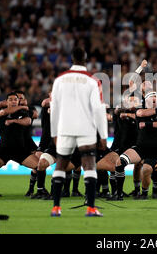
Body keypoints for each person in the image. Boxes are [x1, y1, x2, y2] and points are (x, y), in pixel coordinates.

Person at [50, 47, 108, 217]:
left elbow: (54, 108)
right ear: (86, 59)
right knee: (89, 165)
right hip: (86, 129)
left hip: (64, 128)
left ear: (71, 59)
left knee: (60, 164)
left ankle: (56, 207)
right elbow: (98, 109)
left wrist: (54, 133)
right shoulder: (92, 81)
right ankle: (90, 208)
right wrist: (103, 135)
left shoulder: (59, 80)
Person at [0, 92, 40, 193]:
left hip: (21, 149)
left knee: (39, 166)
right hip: (4, 150)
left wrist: (13, 121)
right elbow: (2, 109)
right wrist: (21, 107)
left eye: (16, 99)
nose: (14, 101)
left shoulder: (25, 111)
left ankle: (37, 190)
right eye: (11, 99)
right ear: (7, 102)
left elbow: (29, 120)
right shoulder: (3, 111)